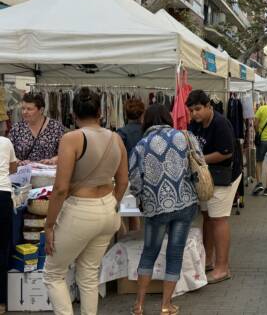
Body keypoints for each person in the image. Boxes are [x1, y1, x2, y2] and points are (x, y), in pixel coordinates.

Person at [43, 88, 128, 315]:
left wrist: (49, 225)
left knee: (53, 273)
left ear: (73, 114)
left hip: (80, 211)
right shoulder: (116, 138)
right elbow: (123, 181)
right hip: (108, 209)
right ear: (100, 112)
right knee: (89, 274)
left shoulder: (72, 138)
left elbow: (60, 189)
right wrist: (113, 204)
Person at [128, 104, 198, 314]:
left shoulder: (141, 145)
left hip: (156, 206)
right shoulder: (185, 137)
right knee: (175, 253)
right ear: (168, 118)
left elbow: (134, 178)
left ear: (146, 121)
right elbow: (199, 164)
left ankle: (139, 305)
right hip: (185, 202)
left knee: (149, 252)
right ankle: (166, 306)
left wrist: (141, 198)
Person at [187, 90, 242, 284]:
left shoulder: (220, 124)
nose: (194, 114)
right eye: (191, 110)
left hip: (224, 177)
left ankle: (222, 268)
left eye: (198, 109)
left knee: (218, 219)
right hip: (207, 177)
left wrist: (200, 160)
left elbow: (226, 152)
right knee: (207, 217)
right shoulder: (195, 124)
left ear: (208, 106)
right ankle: (208, 259)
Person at [8, 92, 65, 165]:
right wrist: (19, 162)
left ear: (41, 110)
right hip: (23, 171)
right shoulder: (16, 128)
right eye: (23, 108)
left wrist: (52, 160)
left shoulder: (56, 127)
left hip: (48, 170)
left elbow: (65, 152)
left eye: (29, 109)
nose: (24, 112)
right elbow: (8, 153)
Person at [0, 137, 17, 314]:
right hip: (2, 195)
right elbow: (13, 168)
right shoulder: (5, 142)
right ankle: (1, 302)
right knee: (1, 249)